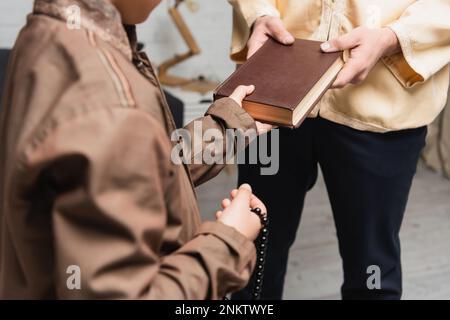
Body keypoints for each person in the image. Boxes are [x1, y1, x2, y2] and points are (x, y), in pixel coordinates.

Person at [0, 0, 271, 299]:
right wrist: (228, 241)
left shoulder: (47, 33)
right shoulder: (111, 103)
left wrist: (227, 127)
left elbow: (136, 162)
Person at [229, 0, 450, 299]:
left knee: (372, 269)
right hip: (273, 93)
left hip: (382, 105)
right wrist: (258, 12)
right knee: (251, 247)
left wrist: (394, 37)